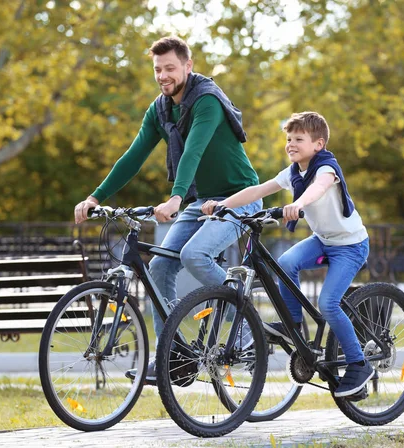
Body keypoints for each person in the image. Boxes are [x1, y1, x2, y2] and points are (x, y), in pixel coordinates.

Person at [73, 36, 261, 384]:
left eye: (170, 68)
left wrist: (176, 197)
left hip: (240, 197)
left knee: (195, 255)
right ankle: (173, 354)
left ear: (188, 66)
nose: (163, 75)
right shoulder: (160, 110)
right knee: (159, 268)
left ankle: (247, 324)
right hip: (200, 201)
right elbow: (133, 156)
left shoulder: (207, 100)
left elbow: (193, 150)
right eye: (158, 69)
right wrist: (95, 197)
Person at [202, 111, 371, 398]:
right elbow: (257, 190)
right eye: (289, 139)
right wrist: (222, 204)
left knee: (329, 303)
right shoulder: (292, 172)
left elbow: (317, 189)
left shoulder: (326, 168)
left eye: (298, 139)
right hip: (323, 240)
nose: (291, 144)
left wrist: (298, 204)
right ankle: (292, 324)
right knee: (286, 262)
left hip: (350, 245)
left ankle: (359, 363)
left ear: (318, 144)